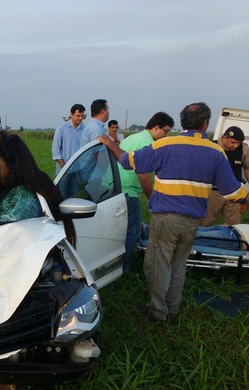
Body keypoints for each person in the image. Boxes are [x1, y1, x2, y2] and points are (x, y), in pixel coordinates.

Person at [98, 102, 249, 322]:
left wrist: (109, 143)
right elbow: (233, 191)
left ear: (182, 122)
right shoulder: (216, 152)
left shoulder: (165, 145)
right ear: (206, 123)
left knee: (158, 265)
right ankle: (172, 309)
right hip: (192, 222)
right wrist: (245, 196)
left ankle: (158, 313)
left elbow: (127, 161)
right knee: (178, 266)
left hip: (166, 219)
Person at [119, 112, 175, 272]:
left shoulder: (134, 138)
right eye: (166, 130)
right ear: (156, 128)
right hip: (127, 192)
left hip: (118, 188)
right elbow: (143, 176)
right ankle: (125, 267)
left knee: (124, 228)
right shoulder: (146, 143)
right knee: (134, 230)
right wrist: (152, 199)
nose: (167, 135)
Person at [200, 126, 249, 226]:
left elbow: (247, 167)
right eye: (233, 142)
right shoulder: (211, 146)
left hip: (234, 193)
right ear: (224, 138)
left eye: (238, 143)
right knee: (205, 223)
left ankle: (230, 241)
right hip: (213, 192)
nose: (236, 145)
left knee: (234, 225)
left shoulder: (244, 149)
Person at [51, 104, 85, 175]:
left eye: (82, 116)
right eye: (78, 116)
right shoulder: (61, 129)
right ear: (71, 114)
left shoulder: (85, 130)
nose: (80, 118)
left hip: (78, 170)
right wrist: (64, 168)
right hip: (62, 171)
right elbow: (55, 150)